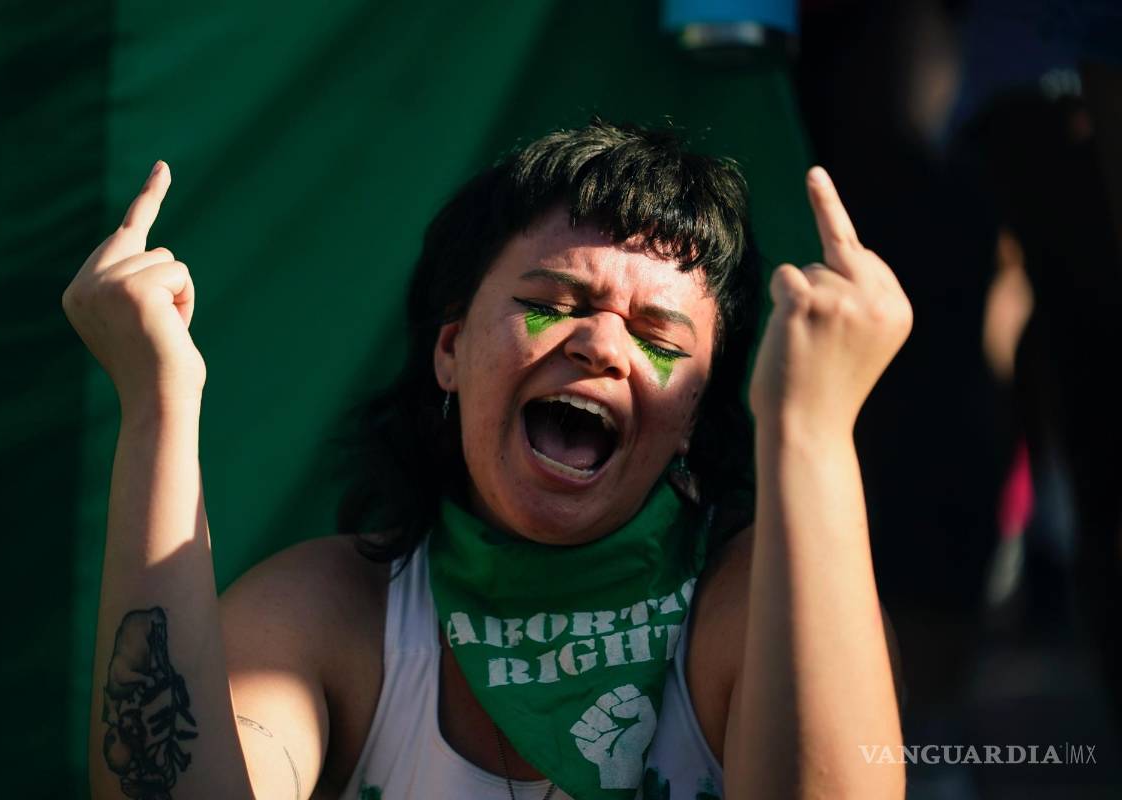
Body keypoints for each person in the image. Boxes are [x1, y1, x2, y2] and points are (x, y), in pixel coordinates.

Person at [64, 120, 909, 800]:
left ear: (691, 417)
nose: (603, 347)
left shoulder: (760, 602)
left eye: (658, 338)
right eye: (550, 304)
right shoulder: (330, 613)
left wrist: (815, 432)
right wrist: (158, 404)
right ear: (451, 350)